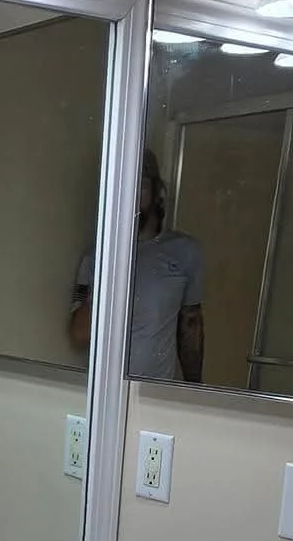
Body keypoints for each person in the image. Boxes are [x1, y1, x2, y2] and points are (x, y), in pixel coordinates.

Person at [70, 149, 204, 382]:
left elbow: (190, 326)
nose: (131, 195)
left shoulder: (184, 251)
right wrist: (109, 266)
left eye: (140, 185)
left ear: (155, 191)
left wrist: (195, 390)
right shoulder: (96, 256)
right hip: (107, 395)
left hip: (157, 395)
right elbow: (80, 336)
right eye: (123, 186)